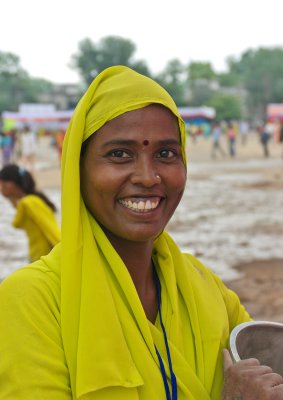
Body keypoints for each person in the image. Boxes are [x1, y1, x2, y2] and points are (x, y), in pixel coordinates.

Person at [0, 66, 283, 400]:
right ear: (77, 168)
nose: (148, 177)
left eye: (166, 153)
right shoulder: (34, 302)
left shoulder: (207, 290)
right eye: (120, 154)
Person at [0, 163, 60, 262]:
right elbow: (17, 223)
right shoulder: (27, 202)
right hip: (38, 257)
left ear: (10, 185)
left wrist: (64, 254)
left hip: (43, 258)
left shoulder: (29, 203)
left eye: (1, 184)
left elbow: (50, 229)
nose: (0, 189)